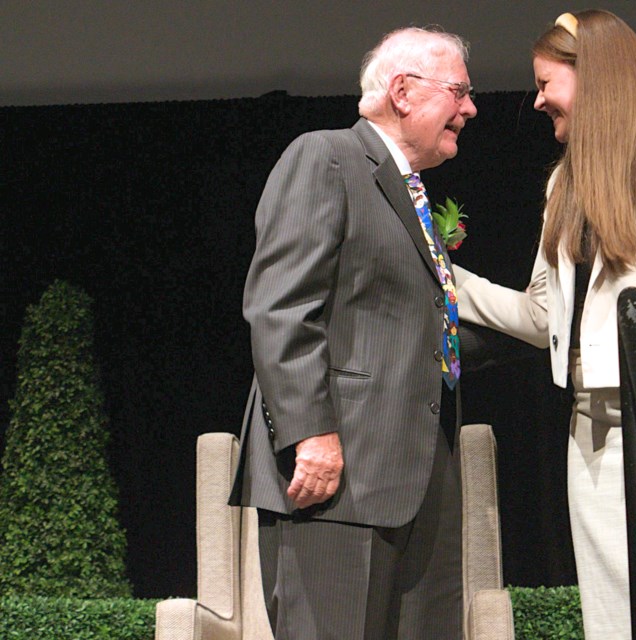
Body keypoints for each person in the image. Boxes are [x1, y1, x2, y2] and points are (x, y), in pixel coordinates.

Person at [453, 10, 636, 639]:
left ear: (594, 77)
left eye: (545, 82)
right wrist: (449, 283)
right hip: (588, 429)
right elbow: (543, 317)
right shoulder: (566, 182)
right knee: (611, 619)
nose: (536, 101)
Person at [229, 26, 477, 640]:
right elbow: (281, 307)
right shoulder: (327, 156)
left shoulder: (407, 193)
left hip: (414, 472)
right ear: (403, 92)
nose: (470, 109)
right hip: (337, 473)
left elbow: (413, 325)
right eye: (460, 92)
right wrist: (311, 434)